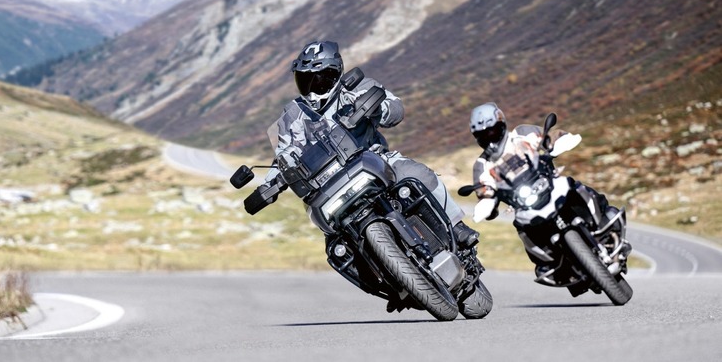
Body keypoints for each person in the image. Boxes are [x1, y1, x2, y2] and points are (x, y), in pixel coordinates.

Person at [263, 40, 479, 248]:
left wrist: (378, 109)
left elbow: (395, 107)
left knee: (416, 174)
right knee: (336, 241)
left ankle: (456, 226)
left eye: (318, 81)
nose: (311, 90)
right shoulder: (292, 115)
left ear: (335, 74)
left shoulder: (357, 87)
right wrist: (269, 184)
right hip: (329, 184)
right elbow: (285, 153)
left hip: (375, 160)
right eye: (304, 81)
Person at [467, 102, 623, 276]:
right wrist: (487, 203)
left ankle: (603, 219)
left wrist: (557, 142)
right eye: (482, 135)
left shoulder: (521, 134)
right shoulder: (482, 165)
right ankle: (548, 262)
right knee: (522, 226)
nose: (489, 137)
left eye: (492, 131)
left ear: (501, 126)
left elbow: (547, 138)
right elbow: (484, 191)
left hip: (549, 183)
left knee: (573, 187)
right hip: (523, 204)